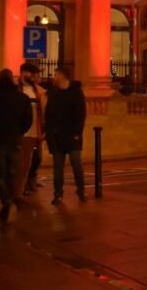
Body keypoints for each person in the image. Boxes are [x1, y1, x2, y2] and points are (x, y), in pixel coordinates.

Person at [0, 69, 32, 223]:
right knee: (11, 173)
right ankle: (10, 199)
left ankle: (6, 201)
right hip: (14, 140)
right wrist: (19, 132)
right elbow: (28, 120)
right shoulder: (22, 98)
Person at [45, 65, 87, 205]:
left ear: (63, 76)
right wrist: (48, 131)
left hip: (72, 135)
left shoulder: (76, 92)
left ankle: (81, 190)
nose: (54, 77)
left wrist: (77, 133)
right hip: (57, 136)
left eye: (56, 74)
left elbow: (81, 113)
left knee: (76, 161)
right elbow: (48, 114)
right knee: (58, 167)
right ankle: (58, 194)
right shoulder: (53, 92)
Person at [18, 62, 45, 197]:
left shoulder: (38, 90)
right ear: (23, 73)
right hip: (23, 131)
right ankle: (21, 187)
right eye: (32, 73)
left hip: (36, 129)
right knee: (23, 162)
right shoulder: (18, 89)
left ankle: (30, 179)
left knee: (37, 158)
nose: (34, 76)